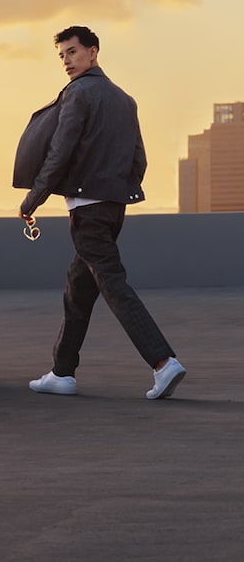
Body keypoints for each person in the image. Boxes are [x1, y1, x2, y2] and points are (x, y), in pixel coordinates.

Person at [13, 25, 186, 400]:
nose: (66, 62)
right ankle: (62, 372)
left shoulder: (78, 94)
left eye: (72, 52)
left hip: (88, 209)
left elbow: (60, 151)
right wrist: (119, 191)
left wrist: (32, 200)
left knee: (112, 283)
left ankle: (162, 362)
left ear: (93, 52)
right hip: (112, 206)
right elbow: (139, 158)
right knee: (78, 289)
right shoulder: (125, 100)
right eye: (61, 55)